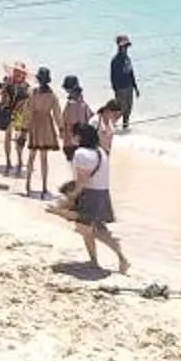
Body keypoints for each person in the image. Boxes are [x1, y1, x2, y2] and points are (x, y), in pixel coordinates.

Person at [64, 123, 131, 274]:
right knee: (96, 229)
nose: (72, 137)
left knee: (86, 229)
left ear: (80, 137)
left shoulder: (81, 153)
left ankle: (98, 260)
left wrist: (73, 195)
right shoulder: (101, 151)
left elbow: (83, 180)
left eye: (74, 134)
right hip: (103, 193)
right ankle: (118, 258)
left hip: (90, 194)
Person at [22, 67, 62, 196]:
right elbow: (57, 114)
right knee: (44, 158)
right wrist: (61, 128)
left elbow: (27, 112)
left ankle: (28, 183)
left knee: (31, 155)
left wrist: (24, 129)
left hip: (35, 123)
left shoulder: (33, 93)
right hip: (47, 124)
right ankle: (44, 186)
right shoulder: (52, 95)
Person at [108, 35, 138, 132]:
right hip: (121, 89)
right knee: (120, 110)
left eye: (127, 46)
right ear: (119, 47)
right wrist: (116, 90)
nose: (126, 49)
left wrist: (135, 87)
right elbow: (112, 77)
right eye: (124, 46)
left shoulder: (127, 59)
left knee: (128, 110)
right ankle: (109, 126)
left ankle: (125, 127)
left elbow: (131, 74)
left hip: (129, 88)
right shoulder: (115, 61)